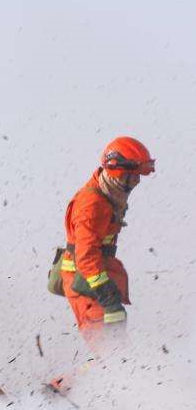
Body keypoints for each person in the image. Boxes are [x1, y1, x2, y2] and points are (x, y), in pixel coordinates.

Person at [58, 136, 154, 339]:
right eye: (133, 176)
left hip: (95, 272)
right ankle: (108, 369)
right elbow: (85, 257)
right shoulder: (92, 205)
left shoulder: (108, 191)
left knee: (116, 332)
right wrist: (107, 295)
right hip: (85, 279)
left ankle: (112, 365)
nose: (137, 182)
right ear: (117, 171)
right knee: (107, 342)